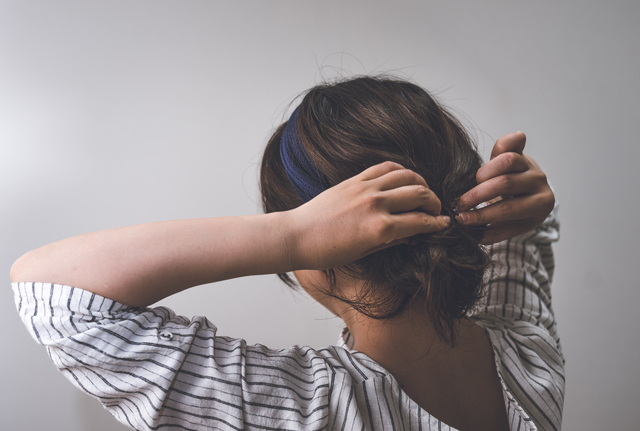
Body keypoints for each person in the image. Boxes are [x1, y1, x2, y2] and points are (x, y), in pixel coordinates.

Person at [11, 76, 563, 431]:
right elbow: (521, 230)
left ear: (322, 250)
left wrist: (288, 236)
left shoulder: (304, 412)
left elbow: (53, 294)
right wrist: (501, 205)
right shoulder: (529, 358)